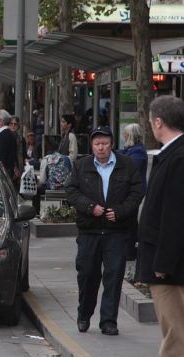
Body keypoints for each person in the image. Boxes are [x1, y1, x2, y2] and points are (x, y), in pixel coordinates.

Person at [67, 126, 143, 336]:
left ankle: (109, 321)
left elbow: (137, 192)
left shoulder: (126, 165)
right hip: (90, 231)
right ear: (92, 146)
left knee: (114, 276)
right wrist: (90, 207)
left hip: (116, 232)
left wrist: (120, 211)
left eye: (105, 143)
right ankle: (84, 314)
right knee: (88, 275)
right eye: (97, 144)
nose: (101, 148)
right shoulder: (81, 165)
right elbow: (72, 191)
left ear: (112, 144)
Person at [135, 95, 184, 357]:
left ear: (158, 122)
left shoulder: (177, 157)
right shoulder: (173, 154)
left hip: (172, 269)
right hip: (171, 264)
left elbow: (175, 215)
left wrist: (162, 265)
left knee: (175, 340)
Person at [118, 123, 148, 261]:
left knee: (130, 221)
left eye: (125, 133)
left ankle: (130, 251)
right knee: (129, 220)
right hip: (129, 190)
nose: (123, 136)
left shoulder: (138, 152)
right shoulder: (130, 150)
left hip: (135, 191)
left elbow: (129, 167)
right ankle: (129, 249)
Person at [31, 146, 72, 215]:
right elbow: (71, 175)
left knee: (36, 191)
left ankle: (36, 213)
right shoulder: (68, 158)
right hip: (66, 189)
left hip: (51, 188)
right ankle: (69, 211)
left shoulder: (46, 159)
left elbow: (43, 180)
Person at [0, 109, 17, 178]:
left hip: (1, 174)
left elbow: (0, 158)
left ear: (1, 121)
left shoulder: (3, 136)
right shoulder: (9, 134)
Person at [9, 116, 25, 186]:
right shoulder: (7, 137)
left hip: (19, 166)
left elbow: (23, 155)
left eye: (15, 124)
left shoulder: (21, 139)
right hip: (10, 167)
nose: (13, 126)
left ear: (18, 126)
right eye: (11, 124)